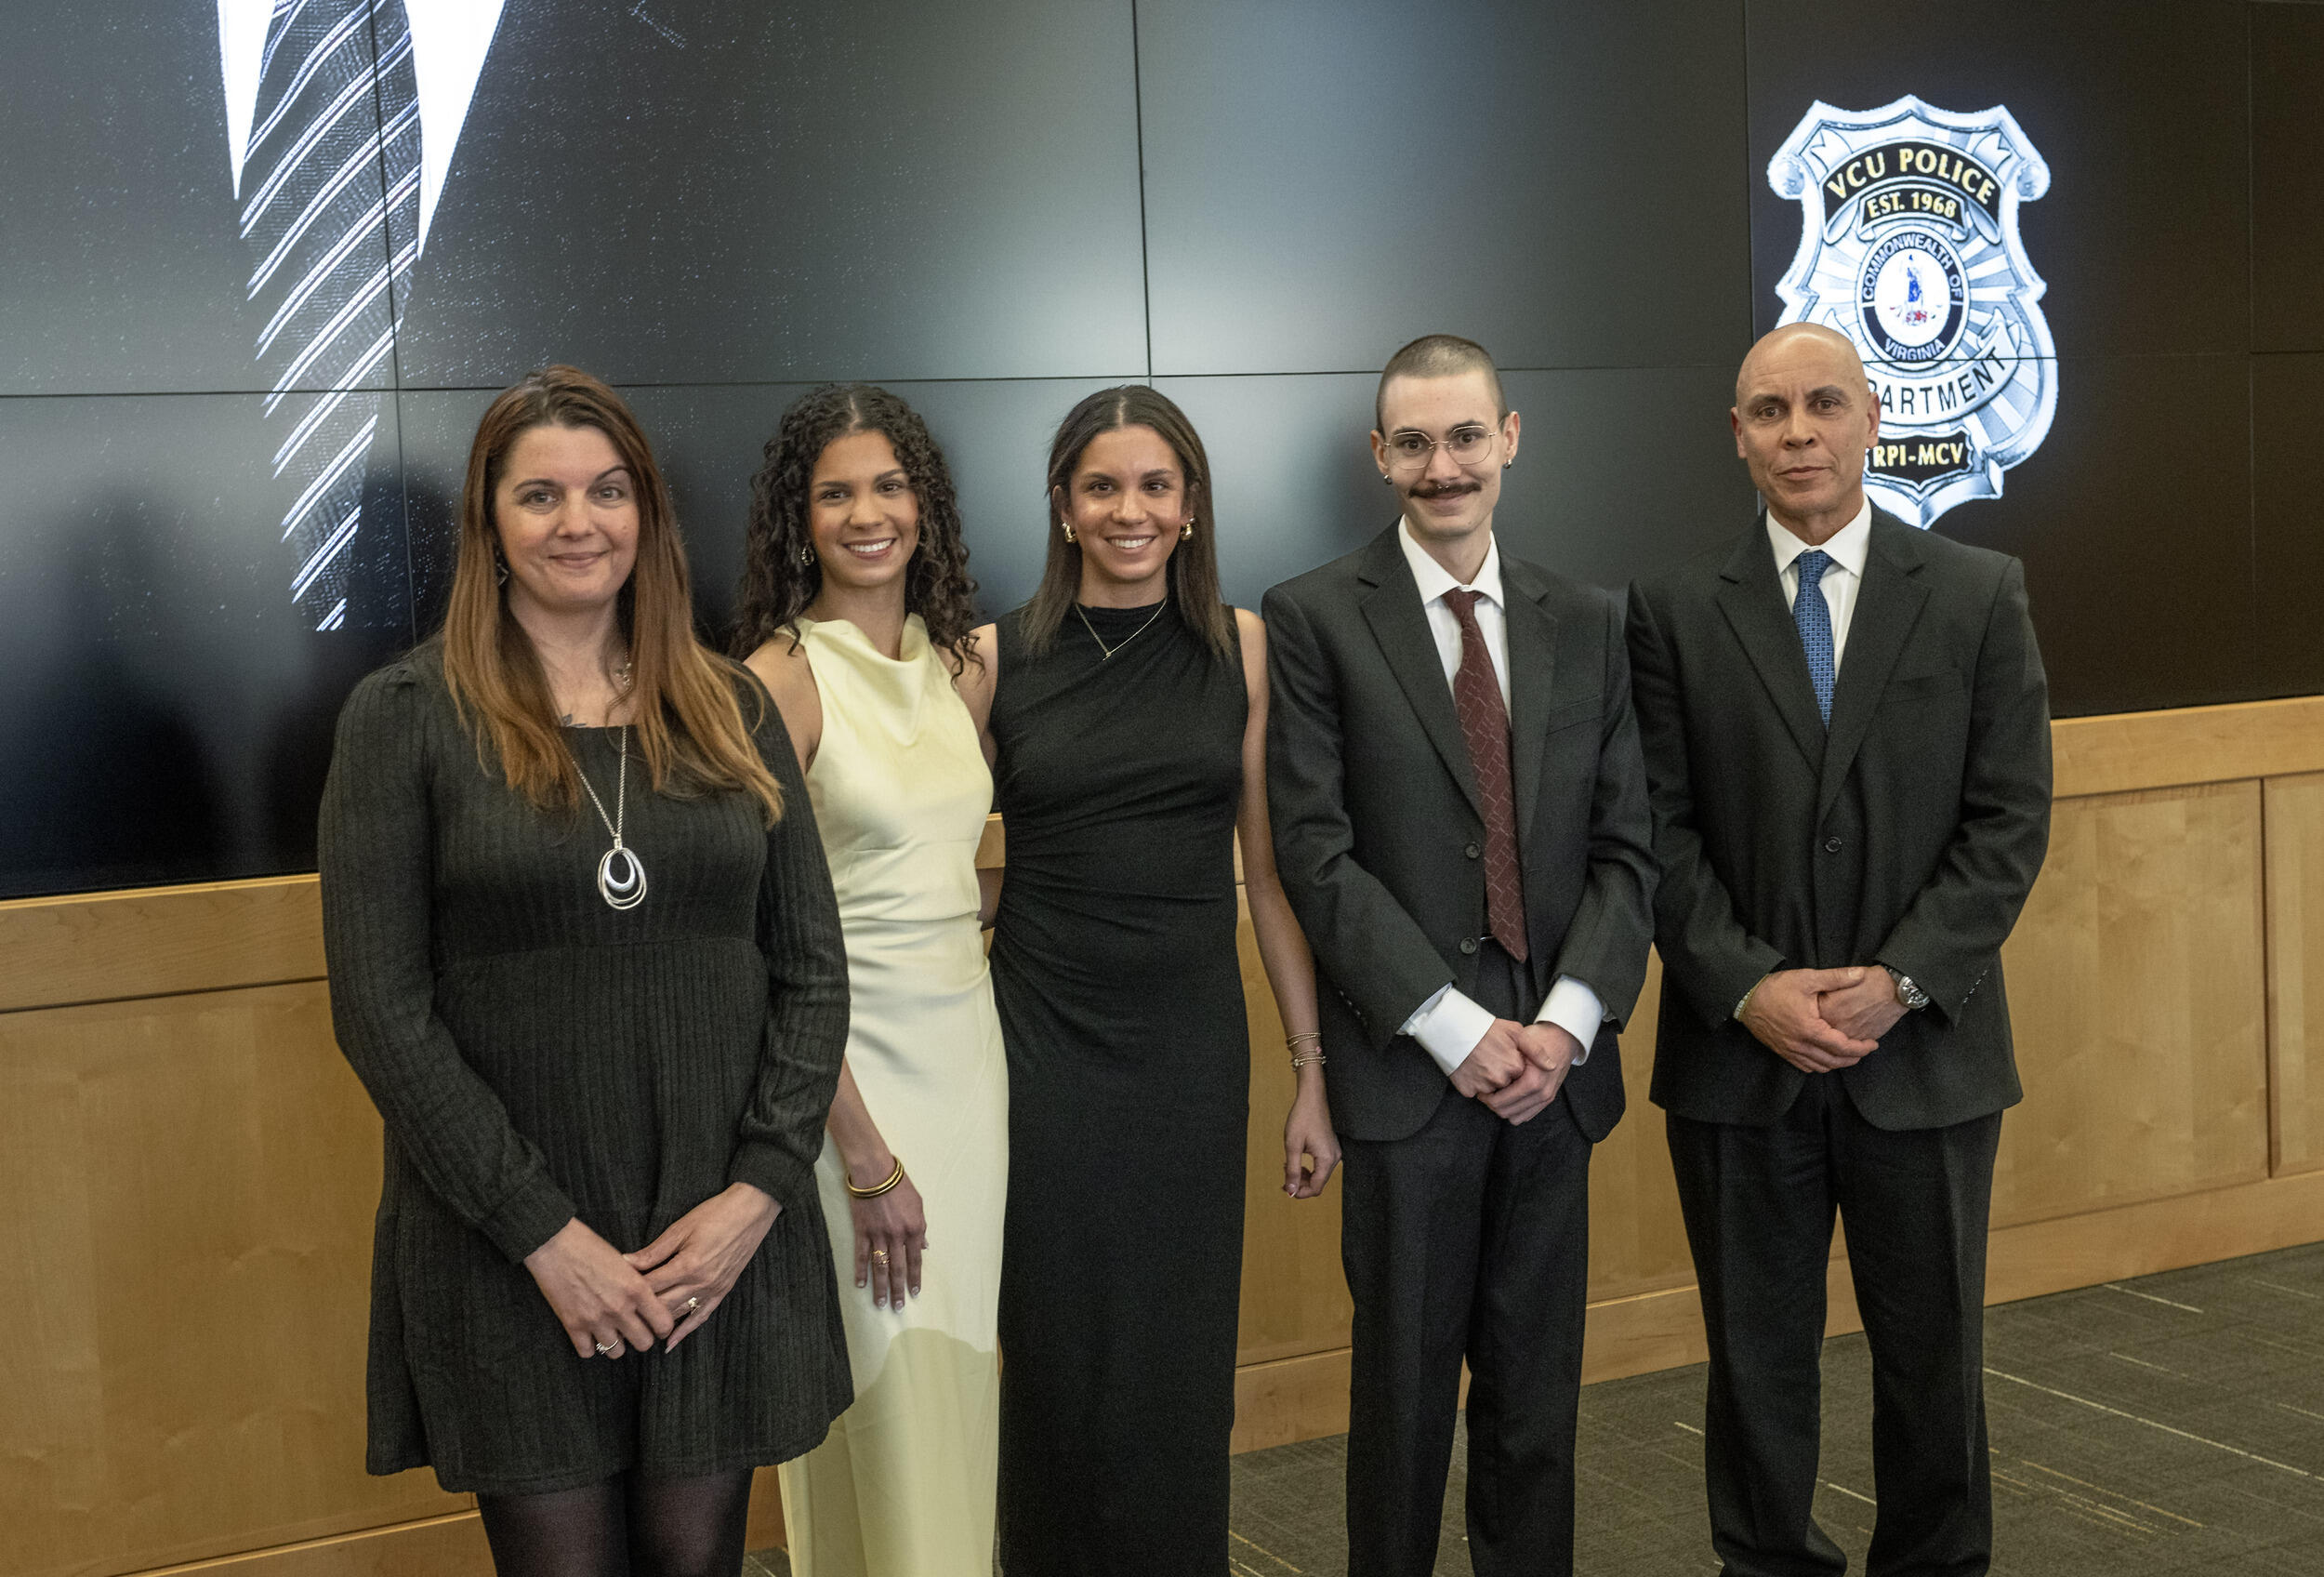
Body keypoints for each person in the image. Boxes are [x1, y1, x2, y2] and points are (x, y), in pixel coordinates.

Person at [317, 365, 852, 1577]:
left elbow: (811, 972)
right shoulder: (402, 721)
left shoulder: (732, 710)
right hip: (510, 1250)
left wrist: (758, 1195)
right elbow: (381, 1013)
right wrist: (544, 1235)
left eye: (608, 491)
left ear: (648, 515)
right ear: (489, 524)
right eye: (540, 495)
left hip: (713, 1242)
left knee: (698, 1558)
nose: (578, 522)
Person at [1627, 322, 2052, 1576]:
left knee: (1934, 1361)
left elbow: (2010, 819)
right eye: (1769, 411)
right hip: (1738, 1061)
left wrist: (1902, 981)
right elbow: (1654, 830)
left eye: (1822, 404)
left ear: (1873, 418)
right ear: (1738, 436)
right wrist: (1747, 985)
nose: (1797, 432)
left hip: (1924, 1060)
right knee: (1755, 1365)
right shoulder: (1669, 614)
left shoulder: (1979, 594)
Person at [1262, 334, 1657, 1577]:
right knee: (1402, 1407)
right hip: (1407, 1082)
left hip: (1555, 1077)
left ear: (1512, 437)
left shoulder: (1590, 622)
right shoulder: (1314, 618)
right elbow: (1315, 857)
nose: (1446, 466)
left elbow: (1627, 853)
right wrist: (1454, 1028)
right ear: (1382, 457)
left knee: (1537, 1405)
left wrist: (1566, 1025)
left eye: (1467, 436)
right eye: (1417, 443)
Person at [962, 385, 1340, 1574]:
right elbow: (927, 867)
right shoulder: (986, 656)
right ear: (1063, 508)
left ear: (1190, 506)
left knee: (1177, 1359)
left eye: (1155, 485)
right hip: (1036, 1042)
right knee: (1057, 1350)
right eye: (1102, 486)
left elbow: (1268, 882)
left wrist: (1309, 1074)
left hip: (1186, 1044)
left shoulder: (1244, 646)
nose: (1130, 509)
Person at [732, 383, 1006, 1577]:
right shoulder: (776, 682)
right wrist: (858, 1148)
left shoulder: (961, 667)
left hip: (969, 1069)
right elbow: (758, 941)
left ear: (925, 505)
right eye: (834, 491)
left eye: (887, 486)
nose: (864, 514)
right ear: (799, 519)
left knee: (956, 1392)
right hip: (854, 1092)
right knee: (881, 1402)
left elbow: (953, 864)